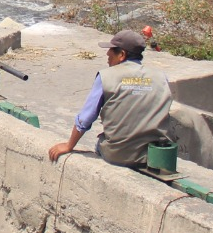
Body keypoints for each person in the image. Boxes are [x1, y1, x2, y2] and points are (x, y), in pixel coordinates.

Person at [47, 30, 172, 167]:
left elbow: (86, 118)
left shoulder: (106, 76)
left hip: (118, 155)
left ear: (122, 55)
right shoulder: (161, 77)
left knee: (102, 143)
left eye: (111, 50)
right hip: (155, 155)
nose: (107, 54)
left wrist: (69, 145)